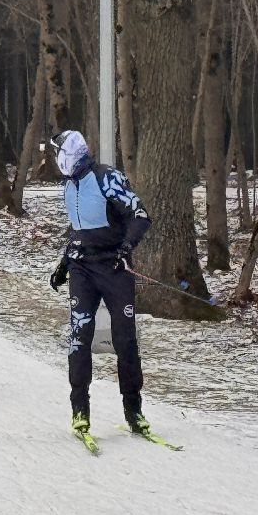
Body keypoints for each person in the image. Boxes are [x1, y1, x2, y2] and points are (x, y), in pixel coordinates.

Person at [47, 129, 154, 440]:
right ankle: (80, 410)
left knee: (125, 340)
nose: (57, 159)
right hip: (82, 268)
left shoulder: (107, 177)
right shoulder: (69, 186)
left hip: (114, 267)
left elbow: (140, 215)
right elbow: (78, 227)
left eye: (59, 152)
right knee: (79, 337)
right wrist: (64, 263)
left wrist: (125, 249)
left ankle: (133, 410)